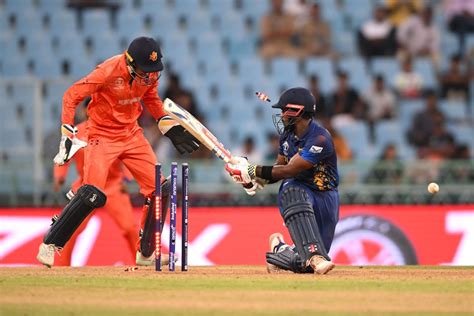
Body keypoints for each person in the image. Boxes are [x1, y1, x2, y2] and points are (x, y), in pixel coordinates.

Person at [36, 36, 200, 268]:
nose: (150, 76)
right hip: (101, 135)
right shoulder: (107, 71)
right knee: (90, 194)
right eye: (145, 71)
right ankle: (50, 243)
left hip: (131, 134)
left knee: (160, 189)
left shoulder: (149, 74)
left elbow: (151, 99)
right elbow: (71, 95)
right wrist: (67, 130)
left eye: (154, 71)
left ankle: (145, 254)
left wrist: (166, 124)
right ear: (130, 64)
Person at [225, 87, 339, 274]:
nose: (281, 116)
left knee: (304, 266)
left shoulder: (319, 138)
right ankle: (315, 257)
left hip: (326, 197)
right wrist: (253, 179)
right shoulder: (287, 136)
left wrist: (252, 169)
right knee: (291, 190)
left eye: (283, 111)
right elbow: (280, 169)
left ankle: (280, 250)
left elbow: (290, 169)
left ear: (297, 111)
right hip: (299, 190)